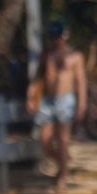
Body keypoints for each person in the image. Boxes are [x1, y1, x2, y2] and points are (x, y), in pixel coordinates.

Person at [26, 19, 88, 176]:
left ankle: (62, 176)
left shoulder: (75, 56)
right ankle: (64, 163)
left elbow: (81, 82)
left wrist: (81, 105)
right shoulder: (46, 55)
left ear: (64, 36)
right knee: (45, 142)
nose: (54, 40)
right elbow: (37, 77)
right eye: (52, 37)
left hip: (65, 100)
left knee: (62, 140)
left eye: (57, 37)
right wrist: (31, 96)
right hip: (47, 100)